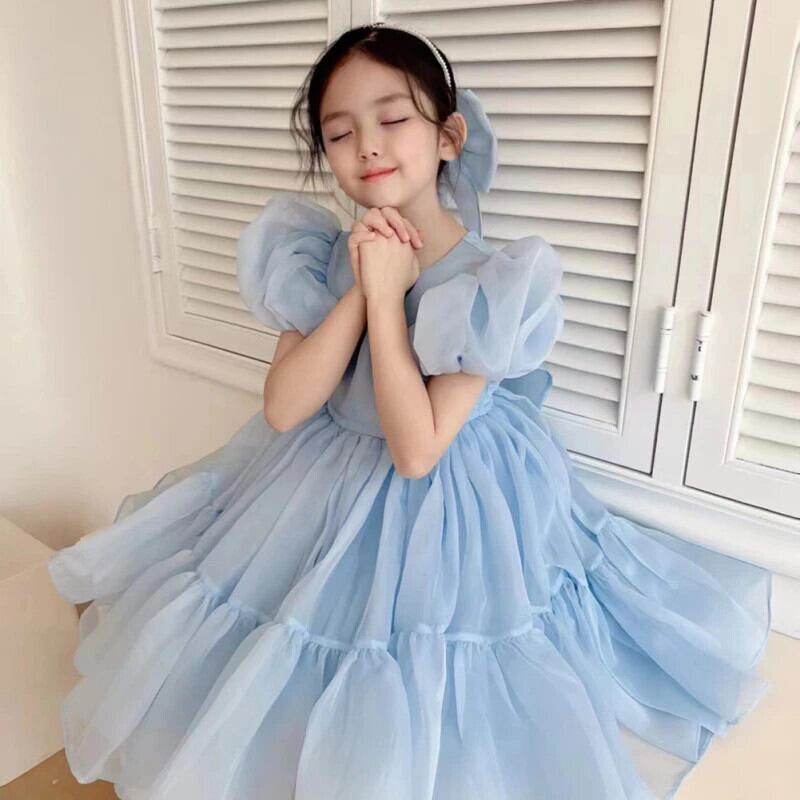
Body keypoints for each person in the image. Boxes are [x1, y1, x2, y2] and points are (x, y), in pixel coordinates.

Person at [47, 21, 772, 800]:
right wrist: (362, 287)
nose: (367, 146)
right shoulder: (318, 254)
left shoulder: (490, 281)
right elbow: (285, 408)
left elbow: (418, 449)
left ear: (447, 136)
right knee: (292, 637)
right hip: (319, 474)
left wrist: (390, 299)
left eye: (392, 119)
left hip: (452, 489)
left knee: (439, 665)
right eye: (339, 133)